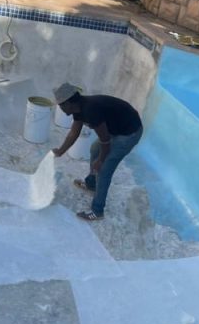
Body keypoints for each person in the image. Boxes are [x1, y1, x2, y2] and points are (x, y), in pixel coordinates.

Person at [52, 83, 144, 222]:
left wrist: (100, 161)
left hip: (129, 133)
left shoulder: (90, 110)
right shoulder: (78, 108)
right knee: (94, 149)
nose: (59, 107)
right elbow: (74, 133)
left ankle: (97, 211)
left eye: (61, 105)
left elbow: (105, 141)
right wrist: (60, 151)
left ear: (70, 102)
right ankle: (91, 184)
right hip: (118, 128)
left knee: (104, 170)